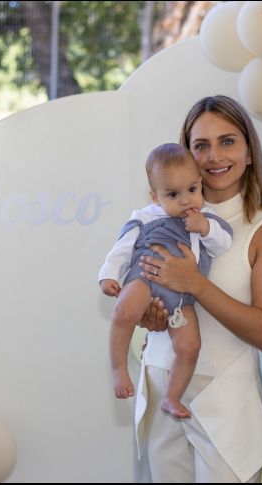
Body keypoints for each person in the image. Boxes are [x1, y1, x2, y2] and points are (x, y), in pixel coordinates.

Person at [136, 95, 262, 482]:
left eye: (227, 141)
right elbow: (144, 290)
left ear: (249, 152)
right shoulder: (154, 217)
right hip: (161, 383)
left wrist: (195, 284)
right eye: (201, 145)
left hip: (227, 403)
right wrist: (150, 314)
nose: (214, 156)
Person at [98, 143, 233, 419]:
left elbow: (223, 244)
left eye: (192, 190)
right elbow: (122, 247)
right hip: (145, 280)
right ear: (155, 197)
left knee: (190, 346)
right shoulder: (144, 217)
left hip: (182, 298)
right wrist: (109, 274)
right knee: (124, 309)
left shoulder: (207, 218)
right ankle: (118, 369)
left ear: (199, 184)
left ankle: (172, 397)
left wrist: (205, 228)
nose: (186, 200)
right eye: (173, 194)